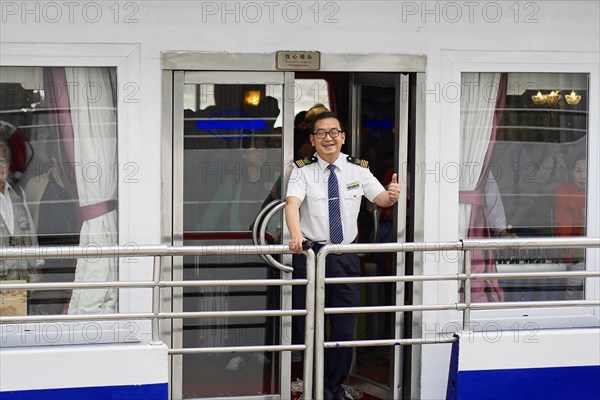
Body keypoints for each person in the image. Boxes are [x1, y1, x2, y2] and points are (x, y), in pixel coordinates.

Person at [285, 112, 400, 400]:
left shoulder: (358, 169)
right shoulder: (302, 170)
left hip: (344, 256)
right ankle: (311, 383)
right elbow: (292, 204)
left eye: (334, 132)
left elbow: (380, 199)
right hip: (311, 255)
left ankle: (331, 387)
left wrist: (392, 195)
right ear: (312, 140)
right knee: (308, 324)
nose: (328, 138)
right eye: (321, 133)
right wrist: (296, 234)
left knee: (344, 327)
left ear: (343, 137)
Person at [0, 141, 42, 313]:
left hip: (21, 278)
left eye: (2, 161)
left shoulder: (18, 193)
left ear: (8, 165)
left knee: (20, 328)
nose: (0, 167)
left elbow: (30, 231)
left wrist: (38, 263)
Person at [554, 153, 586, 300]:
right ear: (572, 172)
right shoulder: (562, 191)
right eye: (578, 171)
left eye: (587, 171)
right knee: (571, 297)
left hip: (592, 255)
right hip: (573, 256)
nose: (583, 176)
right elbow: (571, 201)